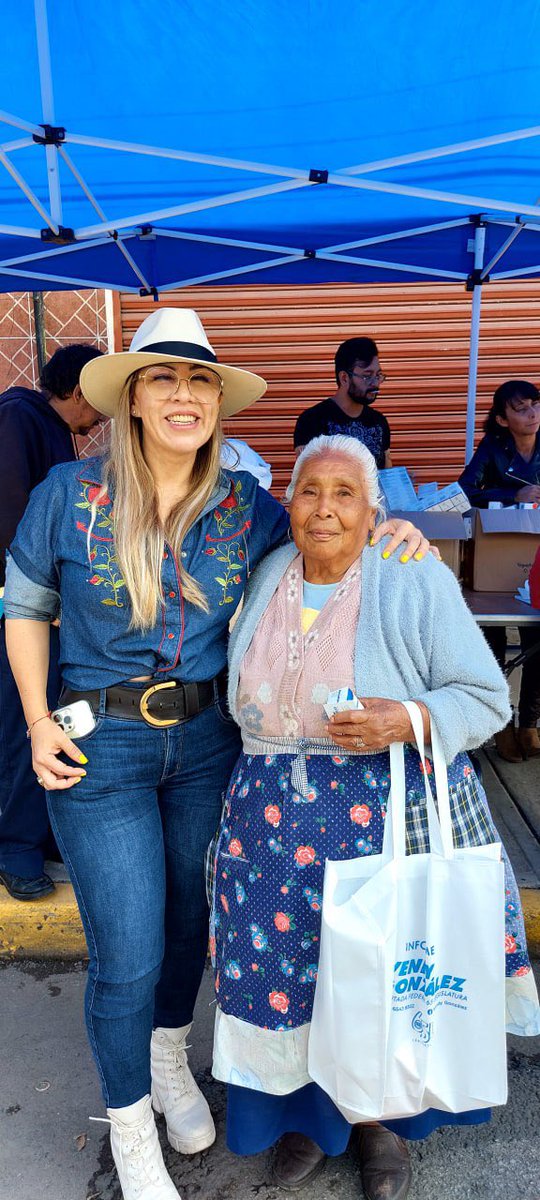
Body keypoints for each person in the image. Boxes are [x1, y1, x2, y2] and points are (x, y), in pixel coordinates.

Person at [3, 309, 430, 1200]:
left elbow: (330, 538)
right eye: (163, 378)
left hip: (208, 746)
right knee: (128, 950)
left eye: (198, 380)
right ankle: (128, 1126)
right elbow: (26, 609)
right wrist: (39, 721)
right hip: (100, 747)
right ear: (130, 397)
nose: (184, 394)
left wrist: (395, 532)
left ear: (216, 403)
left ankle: (168, 1066)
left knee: (191, 929)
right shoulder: (65, 496)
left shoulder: (246, 508)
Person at [210, 434, 539, 1200]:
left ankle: (380, 1125)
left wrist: (406, 718)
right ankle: (309, 1120)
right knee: (290, 982)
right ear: (287, 504)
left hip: (378, 821)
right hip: (269, 827)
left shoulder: (407, 573)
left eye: (344, 493)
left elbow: (487, 696)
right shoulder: (266, 574)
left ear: (373, 511)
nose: (324, 508)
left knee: (379, 981)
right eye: (308, 492)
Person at [0, 343, 103, 902]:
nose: (102, 417)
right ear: (78, 390)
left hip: (59, 611)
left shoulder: (56, 432)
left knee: (59, 719)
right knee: (25, 722)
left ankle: (43, 835)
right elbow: (13, 519)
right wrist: (38, 595)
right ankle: (16, 847)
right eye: (99, 403)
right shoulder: (19, 417)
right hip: (22, 610)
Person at [459, 380, 540, 761]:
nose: (532, 414)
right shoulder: (493, 448)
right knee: (491, 641)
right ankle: (501, 724)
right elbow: (465, 491)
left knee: (537, 643)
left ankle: (530, 724)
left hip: (536, 554)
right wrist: (513, 495)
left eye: (534, 406)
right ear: (502, 418)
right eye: (521, 409)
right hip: (496, 558)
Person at [293, 336, 391, 467]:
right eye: (367, 376)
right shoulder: (312, 421)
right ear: (344, 378)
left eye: (378, 375)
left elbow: (386, 472)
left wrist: (398, 481)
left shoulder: (379, 422)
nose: (375, 383)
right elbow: (307, 477)